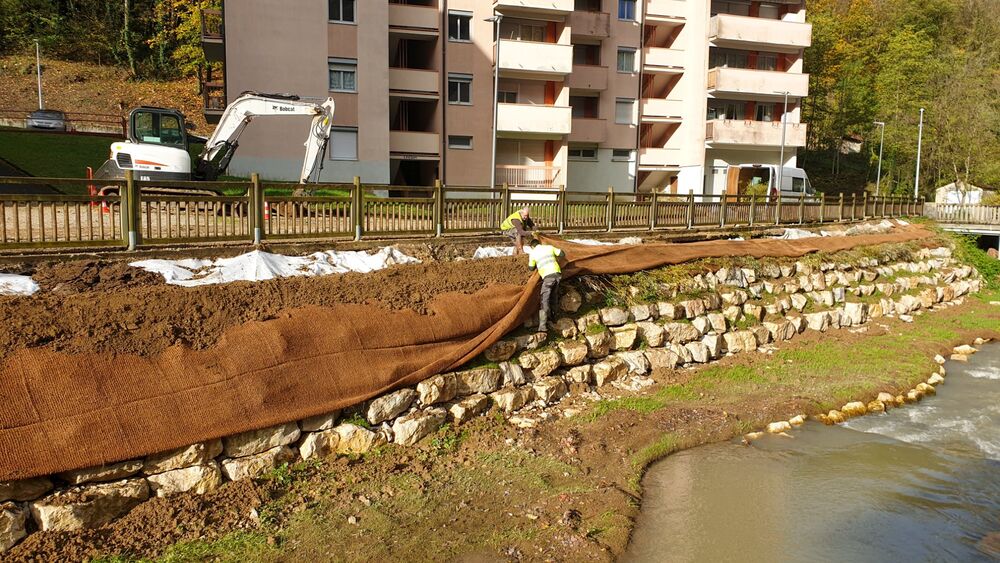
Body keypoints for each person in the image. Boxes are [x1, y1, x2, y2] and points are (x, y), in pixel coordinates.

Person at [526, 238, 565, 333]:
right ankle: (554, 318)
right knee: (554, 296)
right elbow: (562, 254)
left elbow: (531, 268)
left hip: (548, 277)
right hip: (557, 275)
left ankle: (542, 326)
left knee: (544, 299)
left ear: (532, 246)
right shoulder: (549, 247)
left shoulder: (533, 253)